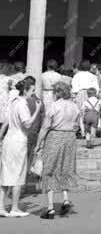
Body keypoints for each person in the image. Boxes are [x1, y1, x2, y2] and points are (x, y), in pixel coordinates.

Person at [36, 81, 79, 219]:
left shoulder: (54, 106)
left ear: (57, 92)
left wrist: (38, 143)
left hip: (55, 135)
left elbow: (45, 127)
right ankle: (65, 198)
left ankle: (50, 208)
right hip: (70, 137)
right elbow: (76, 125)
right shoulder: (74, 106)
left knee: (50, 168)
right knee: (65, 167)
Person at [0, 79, 42, 217]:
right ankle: (14, 208)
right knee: (18, 174)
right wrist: (36, 110)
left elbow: (6, 122)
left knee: (6, 173)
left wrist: (1, 136)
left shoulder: (13, 102)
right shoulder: (22, 104)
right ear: (25, 90)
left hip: (9, 139)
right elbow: (28, 124)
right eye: (32, 90)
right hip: (18, 140)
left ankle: (1, 206)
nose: (33, 93)